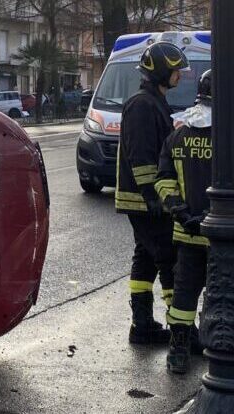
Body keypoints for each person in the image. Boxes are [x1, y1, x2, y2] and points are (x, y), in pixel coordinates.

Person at [116, 42, 189, 344]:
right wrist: (152, 195)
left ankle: (142, 325)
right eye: (175, 71)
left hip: (147, 199)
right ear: (160, 71)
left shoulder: (153, 101)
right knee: (168, 257)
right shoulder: (142, 105)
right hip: (145, 200)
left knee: (145, 257)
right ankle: (181, 331)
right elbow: (143, 156)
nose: (180, 76)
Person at [155, 69, 212, 374]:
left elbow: (163, 181)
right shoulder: (228, 136)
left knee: (184, 295)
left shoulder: (177, 136)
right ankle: (219, 348)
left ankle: (178, 352)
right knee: (223, 293)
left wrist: (180, 212)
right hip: (222, 238)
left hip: (186, 234)